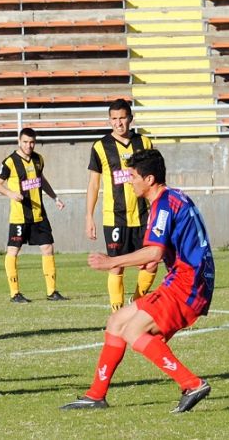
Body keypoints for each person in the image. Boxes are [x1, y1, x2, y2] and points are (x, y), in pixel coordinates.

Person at [62, 149, 214, 413]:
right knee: (117, 321)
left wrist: (112, 262)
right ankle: (96, 395)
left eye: (133, 176)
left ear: (150, 179)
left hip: (187, 283)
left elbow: (154, 250)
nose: (129, 181)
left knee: (134, 331)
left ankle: (192, 383)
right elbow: (167, 246)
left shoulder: (163, 204)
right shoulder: (172, 197)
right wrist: (159, 257)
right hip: (185, 278)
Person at [86, 99, 158, 312]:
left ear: (130, 119)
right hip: (115, 217)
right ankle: (117, 315)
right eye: (114, 119)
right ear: (109, 120)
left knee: (151, 262)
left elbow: (155, 176)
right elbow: (93, 183)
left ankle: (136, 303)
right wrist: (89, 216)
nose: (119, 123)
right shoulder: (100, 147)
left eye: (123, 118)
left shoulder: (144, 142)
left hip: (144, 214)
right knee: (115, 266)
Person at [0, 127, 67, 303]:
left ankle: (52, 292)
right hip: (19, 217)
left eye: (32, 142)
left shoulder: (39, 159)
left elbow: (42, 180)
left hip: (39, 214)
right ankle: (14, 293)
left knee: (48, 248)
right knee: (13, 251)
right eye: (25, 142)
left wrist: (55, 197)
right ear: (19, 141)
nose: (29, 145)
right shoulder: (9, 162)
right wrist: (11, 194)